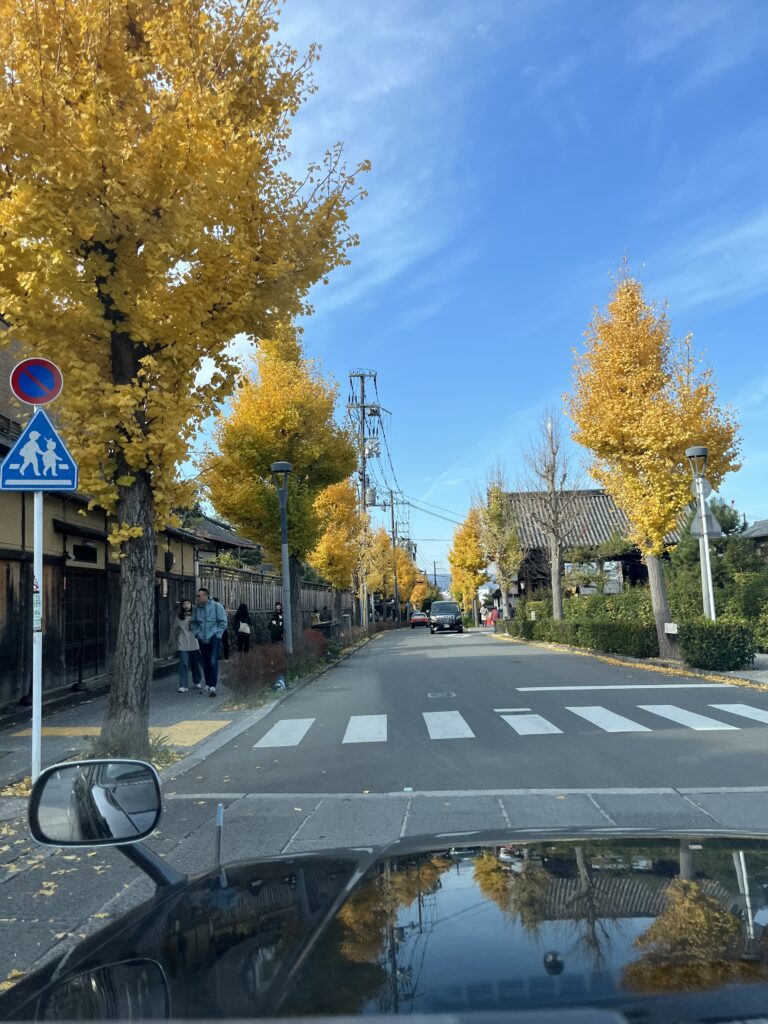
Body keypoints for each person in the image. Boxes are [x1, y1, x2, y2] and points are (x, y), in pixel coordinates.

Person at [190, 587, 228, 696]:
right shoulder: (196, 609)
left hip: (214, 637)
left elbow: (223, 622)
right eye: (197, 596)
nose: (197, 598)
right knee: (205, 661)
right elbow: (193, 623)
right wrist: (197, 633)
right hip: (202, 638)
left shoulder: (217, 606)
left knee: (212, 661)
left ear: (206, 596)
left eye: (199, 596)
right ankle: (207, 683)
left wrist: (217, 634)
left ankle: (212, 685)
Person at [169, 598, 202, 693]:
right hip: (183, 643)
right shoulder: (179, 617)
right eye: (184, 604)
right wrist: (170, 641)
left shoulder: (196, 616)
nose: (186, 605)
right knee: (183, 664)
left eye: (188, 603)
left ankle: (197, 681)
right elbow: (174, 629)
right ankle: (183, 685)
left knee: (195, 664)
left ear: (191, 605)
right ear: (182, 606)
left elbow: (202, 627)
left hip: (194, 643)